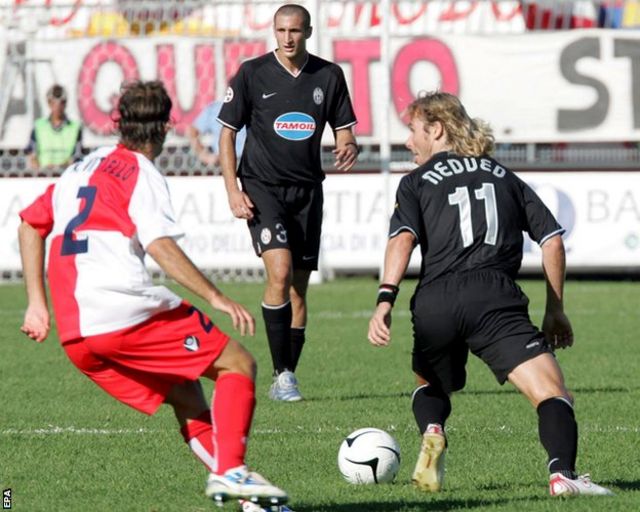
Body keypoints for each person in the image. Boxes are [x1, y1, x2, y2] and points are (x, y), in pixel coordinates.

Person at [18, 80, 289, 509]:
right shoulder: (142, 173)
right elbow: (159, 245)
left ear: (119, 122)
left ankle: (247, 500)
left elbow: (29, 225)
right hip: (120, 311)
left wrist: (37, 302)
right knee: (239, 364)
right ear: (164, 126)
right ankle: (232, 471)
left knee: (186, 394)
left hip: (76, 336)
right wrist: (216, 296)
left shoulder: (79, 170)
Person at [367, 92, 613, 497]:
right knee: (551, 393)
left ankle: (433, 428)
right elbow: (551, 240)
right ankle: (562, 475)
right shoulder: (502, 175)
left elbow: (403, 239)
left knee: (429, 381)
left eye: (412, 131)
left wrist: (385, 299)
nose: (408, 142)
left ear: (436, 130)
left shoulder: (413, 183)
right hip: (494, 298)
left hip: (435, 301)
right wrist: (555, 311)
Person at [218, 3, 358, 402]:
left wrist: (347, 145)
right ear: (273, 32)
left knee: (298, 289)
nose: (288, 38)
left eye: (295, 31)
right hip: (262, 186)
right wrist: (233, 188)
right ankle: (282, 374)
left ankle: (287, 376)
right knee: (278, 271)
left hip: (308, 191)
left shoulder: (328, 75)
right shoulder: (252, 73)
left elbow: (344, 129)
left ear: (308, 32)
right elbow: (227, 134)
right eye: (281, 30)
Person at [26, 84, 83, 170]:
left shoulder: (74, 127)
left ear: (65, 103)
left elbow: (77, 156)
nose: (58, 107)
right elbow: (31, 154)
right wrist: (39, 167)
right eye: (53, 103)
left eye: (61, 103)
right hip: (42, 175)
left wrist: (59, 167)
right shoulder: (39, 126)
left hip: (66, 175)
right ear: (49, 103)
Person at [187, 100, 247, 168]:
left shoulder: (253, 107)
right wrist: (203, 154)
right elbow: (192, 131)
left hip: (248, 161)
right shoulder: (215, 108)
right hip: (223, 161)